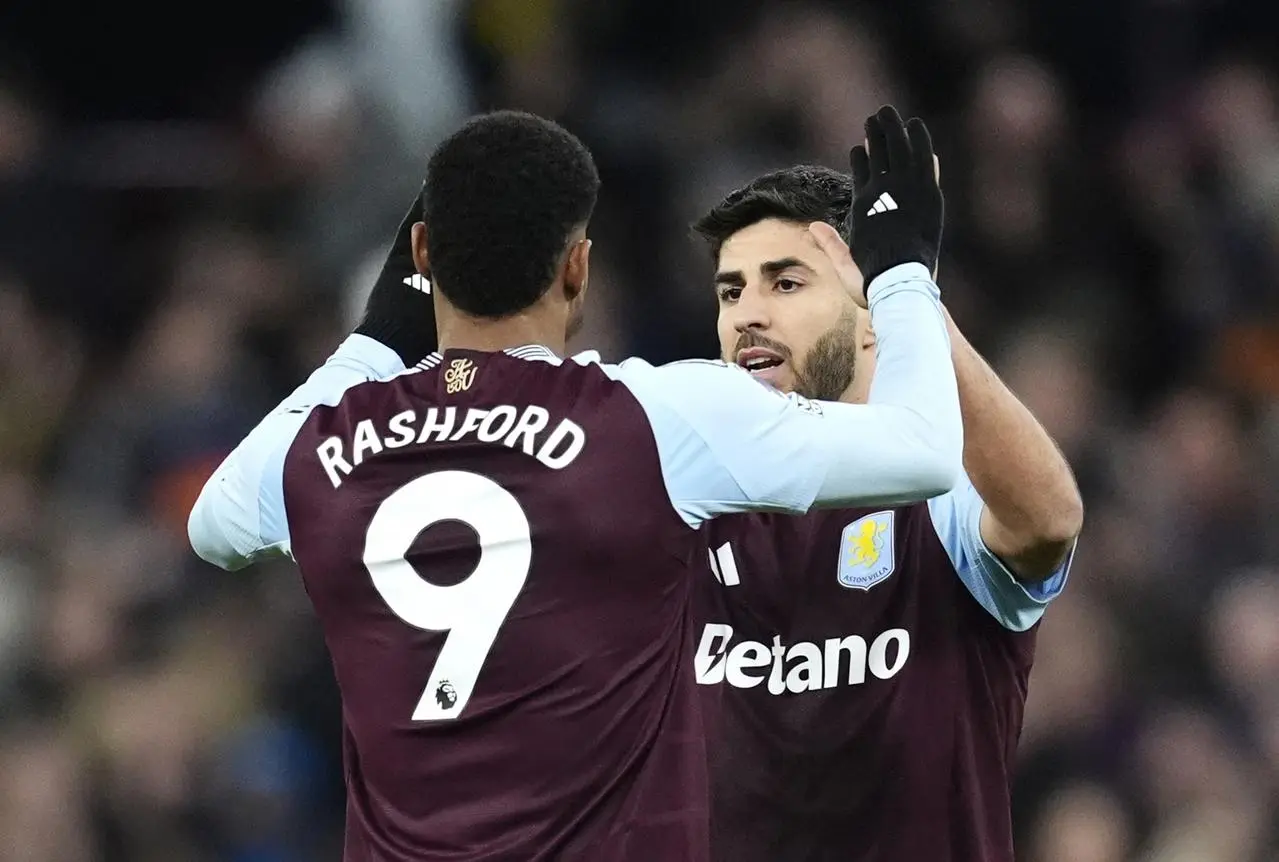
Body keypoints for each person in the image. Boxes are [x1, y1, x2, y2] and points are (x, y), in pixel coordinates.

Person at [187, 108, 963, 861]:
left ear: (422, 253)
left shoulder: (327, 445)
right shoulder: (655, 420)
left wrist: (376, 337)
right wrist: (898, 275)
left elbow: (211, 525)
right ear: (577, 267)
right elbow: (924, 451)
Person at [690, 112, 1084, 860]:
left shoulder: (936, 501)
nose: (748, 315)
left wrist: (910, 290)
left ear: (870, 313)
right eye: (730, 292)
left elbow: (1045, 522)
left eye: (785, 282)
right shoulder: (689, 503)